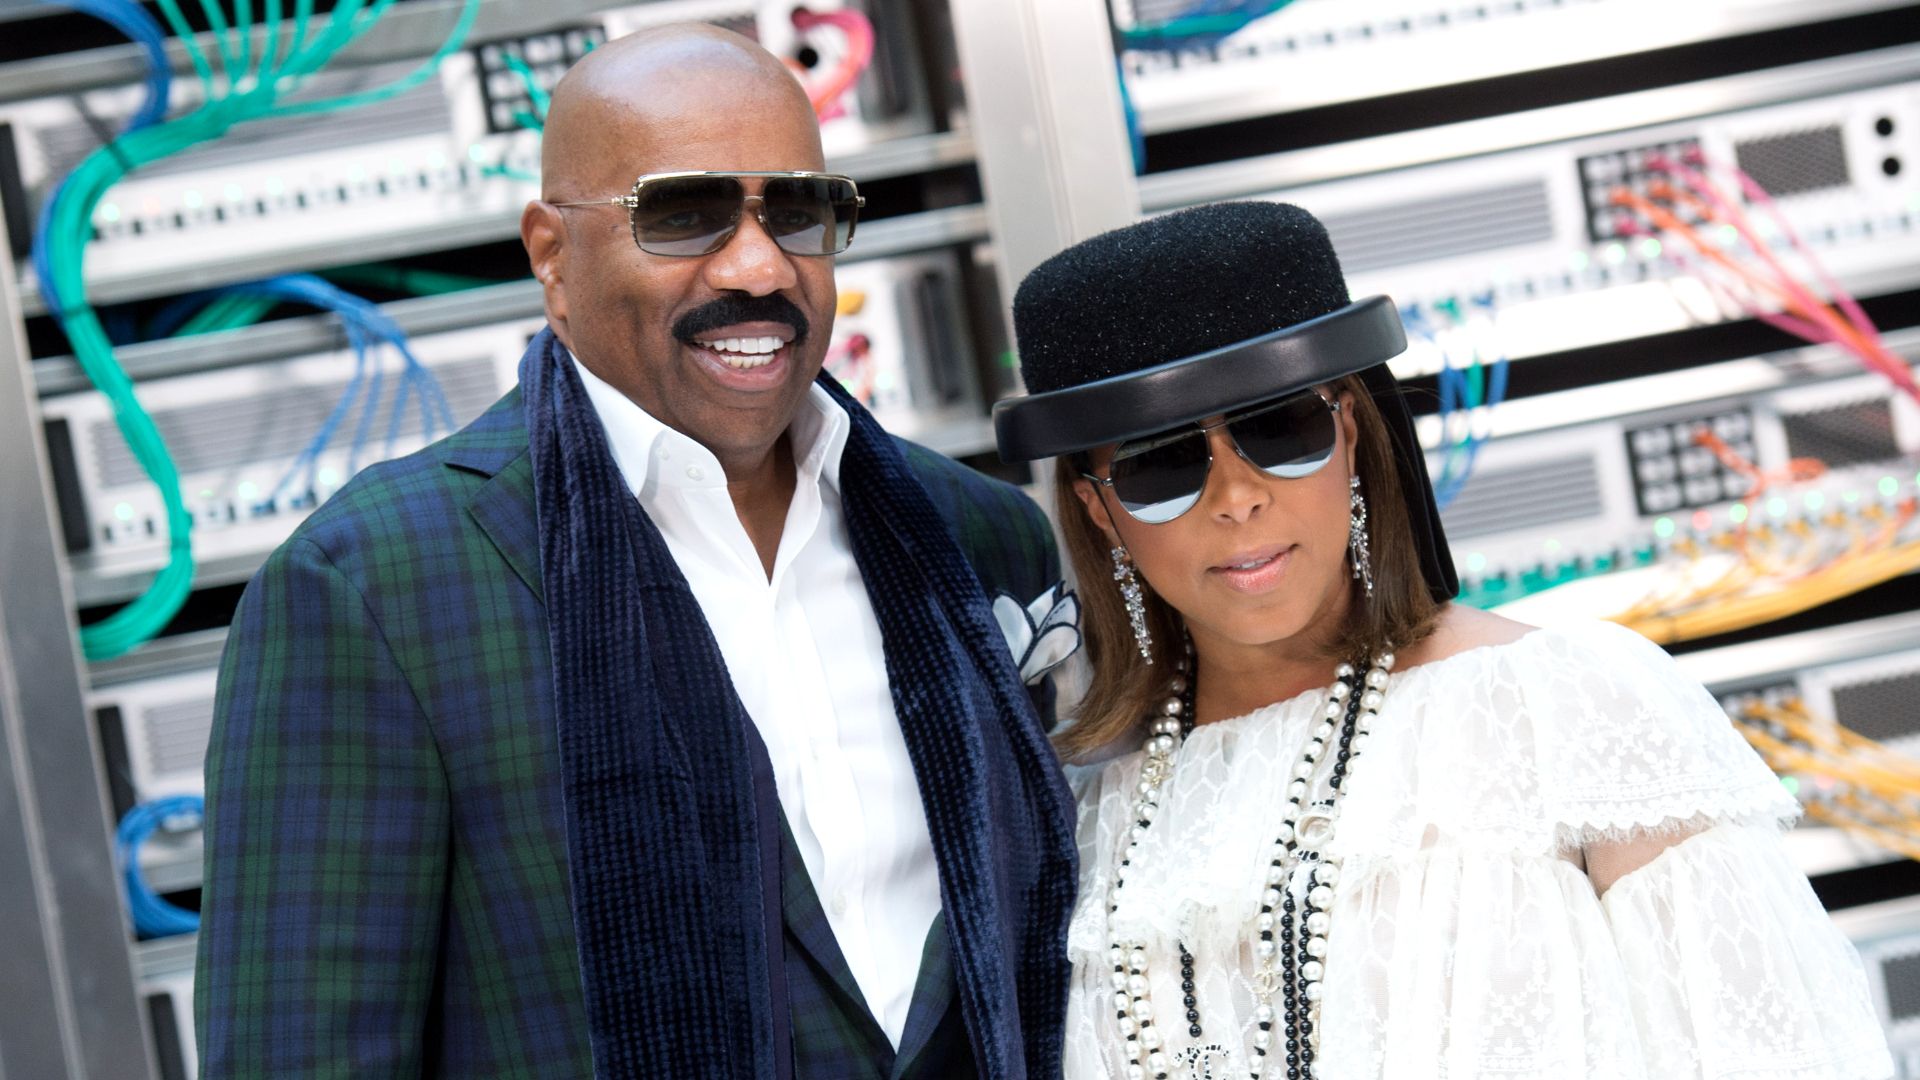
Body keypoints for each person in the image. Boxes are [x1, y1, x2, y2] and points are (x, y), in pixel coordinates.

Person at [196, 25, 1077, 1080]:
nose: (757, 265)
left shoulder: (974, 536)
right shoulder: (371, 593)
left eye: (796, 211)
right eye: (686, 214)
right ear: (551, 254)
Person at [993, 200, 1893, 1079]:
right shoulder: (1081, 812)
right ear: (1099, 512)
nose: (1236, 496)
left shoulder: (1570, 708)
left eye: (1282, 430)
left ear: (1349, 431)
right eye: (1162, 465)